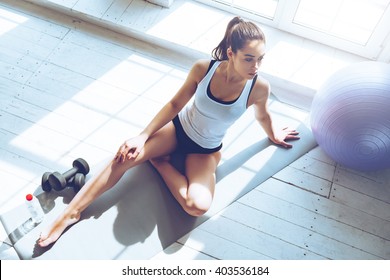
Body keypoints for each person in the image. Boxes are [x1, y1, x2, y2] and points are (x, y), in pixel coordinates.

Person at [38, 16, 300, 247]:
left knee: (196, 205)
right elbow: (175, 104)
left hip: (206, 150)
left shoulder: (258, 88)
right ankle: (69, 214)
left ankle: (159, 162)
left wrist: (273, 133)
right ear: (231, 53)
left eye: (260, 59)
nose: (256, 66)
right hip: (177, 131)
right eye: (249, 58)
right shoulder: (204, 69)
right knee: (123, 157)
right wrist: (142, 136)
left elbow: (263, 115)